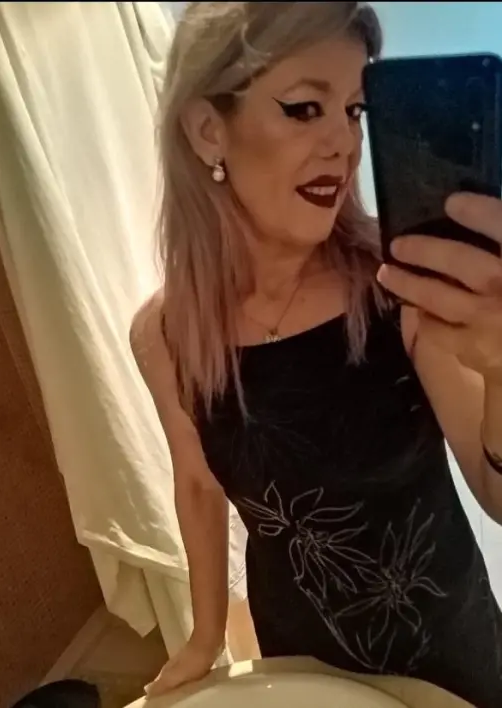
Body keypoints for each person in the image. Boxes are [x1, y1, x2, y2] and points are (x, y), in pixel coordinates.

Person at [130, 3, 502, 706]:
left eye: (355, 111)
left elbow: (497, 494)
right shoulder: (168, 334)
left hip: (447, 662)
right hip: (299, 667)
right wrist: (205, 638)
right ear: (209, 131)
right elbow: (199, 486)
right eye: (305, 108)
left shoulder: (400, 290)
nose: (344, 143)